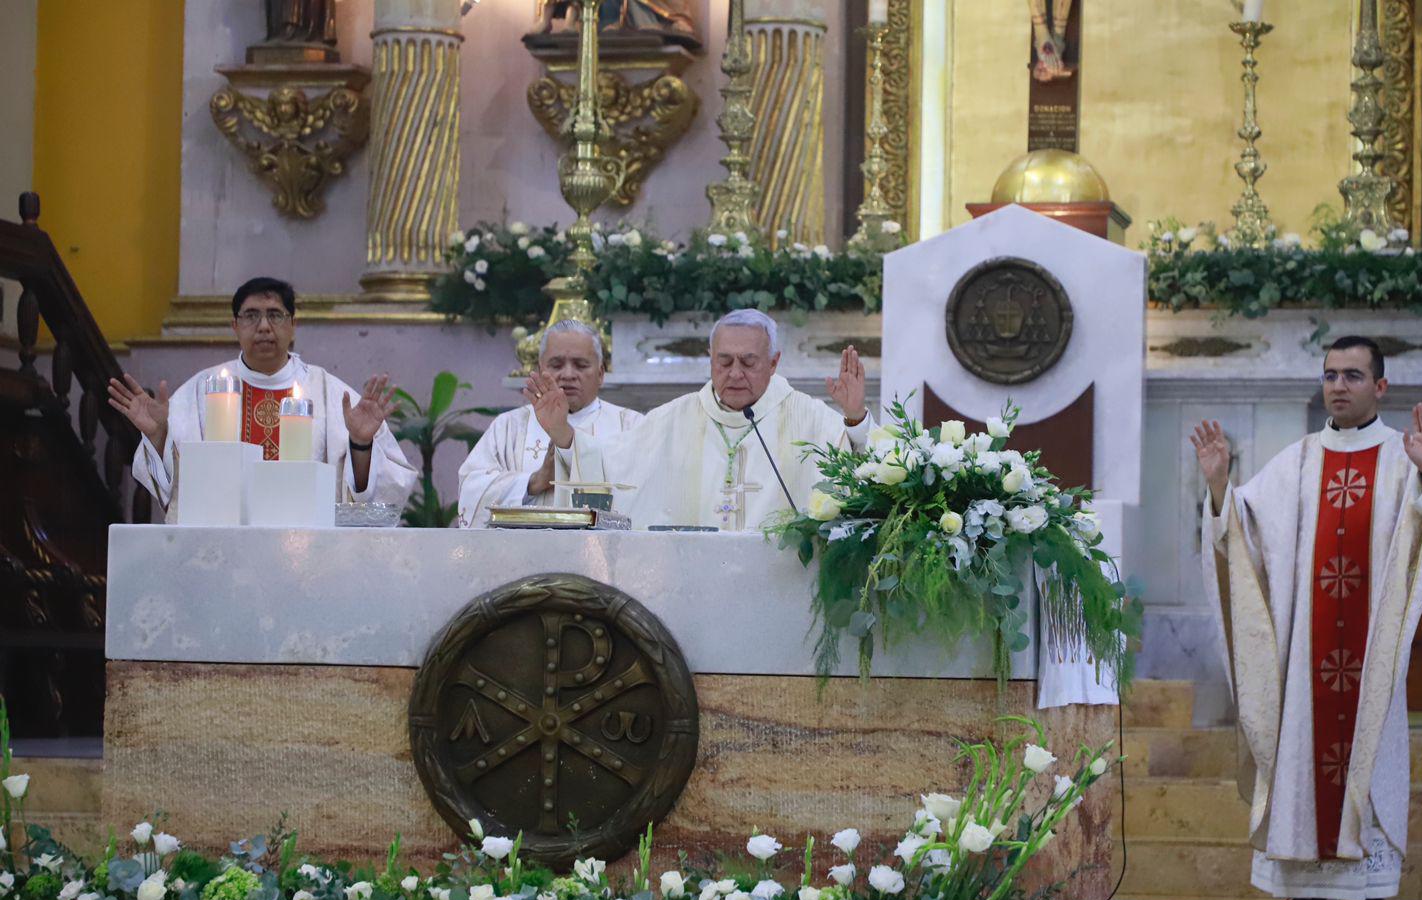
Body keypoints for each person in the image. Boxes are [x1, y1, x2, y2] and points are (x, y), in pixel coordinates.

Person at [1191, 335, 1422, 900]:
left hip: (1369, 648)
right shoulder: (1297, 461)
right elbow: (1242, 530)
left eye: (1352, 375)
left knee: (1367, 747)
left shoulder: (1404, 455)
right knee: (1303, 744)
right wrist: (1219, 485)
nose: (1338, 387)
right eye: (1330, 375)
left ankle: (1369, 888)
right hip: (1307, 650)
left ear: (1380, 386)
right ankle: (1310, 889)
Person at [532, 308, 872, 531]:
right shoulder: (674, 419)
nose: (735, 373)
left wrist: (855, 418)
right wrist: (563, 432)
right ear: (710, 359)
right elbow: (606, 466)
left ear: (773, 362)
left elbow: (863, 475)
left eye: (748, 362)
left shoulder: (806, 417)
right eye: (724, 362)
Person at [108, 276, 416, 515]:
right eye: (251, 316)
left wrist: (360, 444)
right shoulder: (201, 392)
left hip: (308, 549)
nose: (264, 327)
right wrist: (160, 436)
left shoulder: (333, 395)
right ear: (235, 326)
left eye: (275, 315)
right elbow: (174, 491)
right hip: (225, 545)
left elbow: (376, 491)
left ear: (293, 326)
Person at [456, 319, 643, 527]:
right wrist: (535, 482)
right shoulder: (508, 427)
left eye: (581, 365)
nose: (568, 374)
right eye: (556, 365)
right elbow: (471, 487)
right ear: (539, 368)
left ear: (600, 374)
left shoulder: (631, 426)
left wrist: (573, 453)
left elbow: (645, 493)